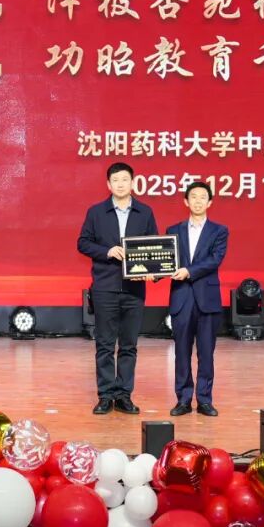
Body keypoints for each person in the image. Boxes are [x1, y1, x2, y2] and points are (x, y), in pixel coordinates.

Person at [78, 162, 158, 415]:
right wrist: (107, 251)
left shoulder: (145, 212)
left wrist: (153, 272)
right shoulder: (96, 212)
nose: (121, 184)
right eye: (116, 180)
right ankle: (105, 395)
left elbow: (155, 247)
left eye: (125, 179)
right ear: (108, 184)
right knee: (104, 344)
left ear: (133, 182)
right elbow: (83, 243)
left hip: (134, 290)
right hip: (105, 287)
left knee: (129, 345)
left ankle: (124, 395)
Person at [165, 181, 229, 417]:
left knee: (206, 353)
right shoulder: (173, 230)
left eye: (203, 197)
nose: (198, 201)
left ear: (210, 202)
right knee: (181, 353)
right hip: (181, 298)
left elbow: (215, 260)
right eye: (194, 197)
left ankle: (204, 400)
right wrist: (151, 272)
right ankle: (183, 400)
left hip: (207, 299)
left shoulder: (219, 231)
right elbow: (166, 260)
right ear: (186, 201)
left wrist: (188, 271)